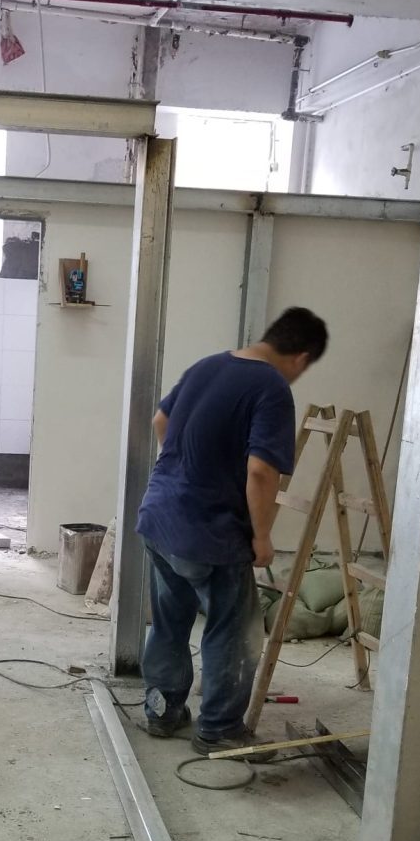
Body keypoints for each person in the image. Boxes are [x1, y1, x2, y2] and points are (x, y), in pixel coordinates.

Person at [136, 307, 329, 753]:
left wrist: (188, 472)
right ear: (301, 357)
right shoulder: (271, 387)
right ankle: (219, 729)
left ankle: (162, 713)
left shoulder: (208, 365)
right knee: (234, 630)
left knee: (169, 621)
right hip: (209, 532)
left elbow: (161, 421)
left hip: (160, 518)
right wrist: (261, 537)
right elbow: (261, 471)